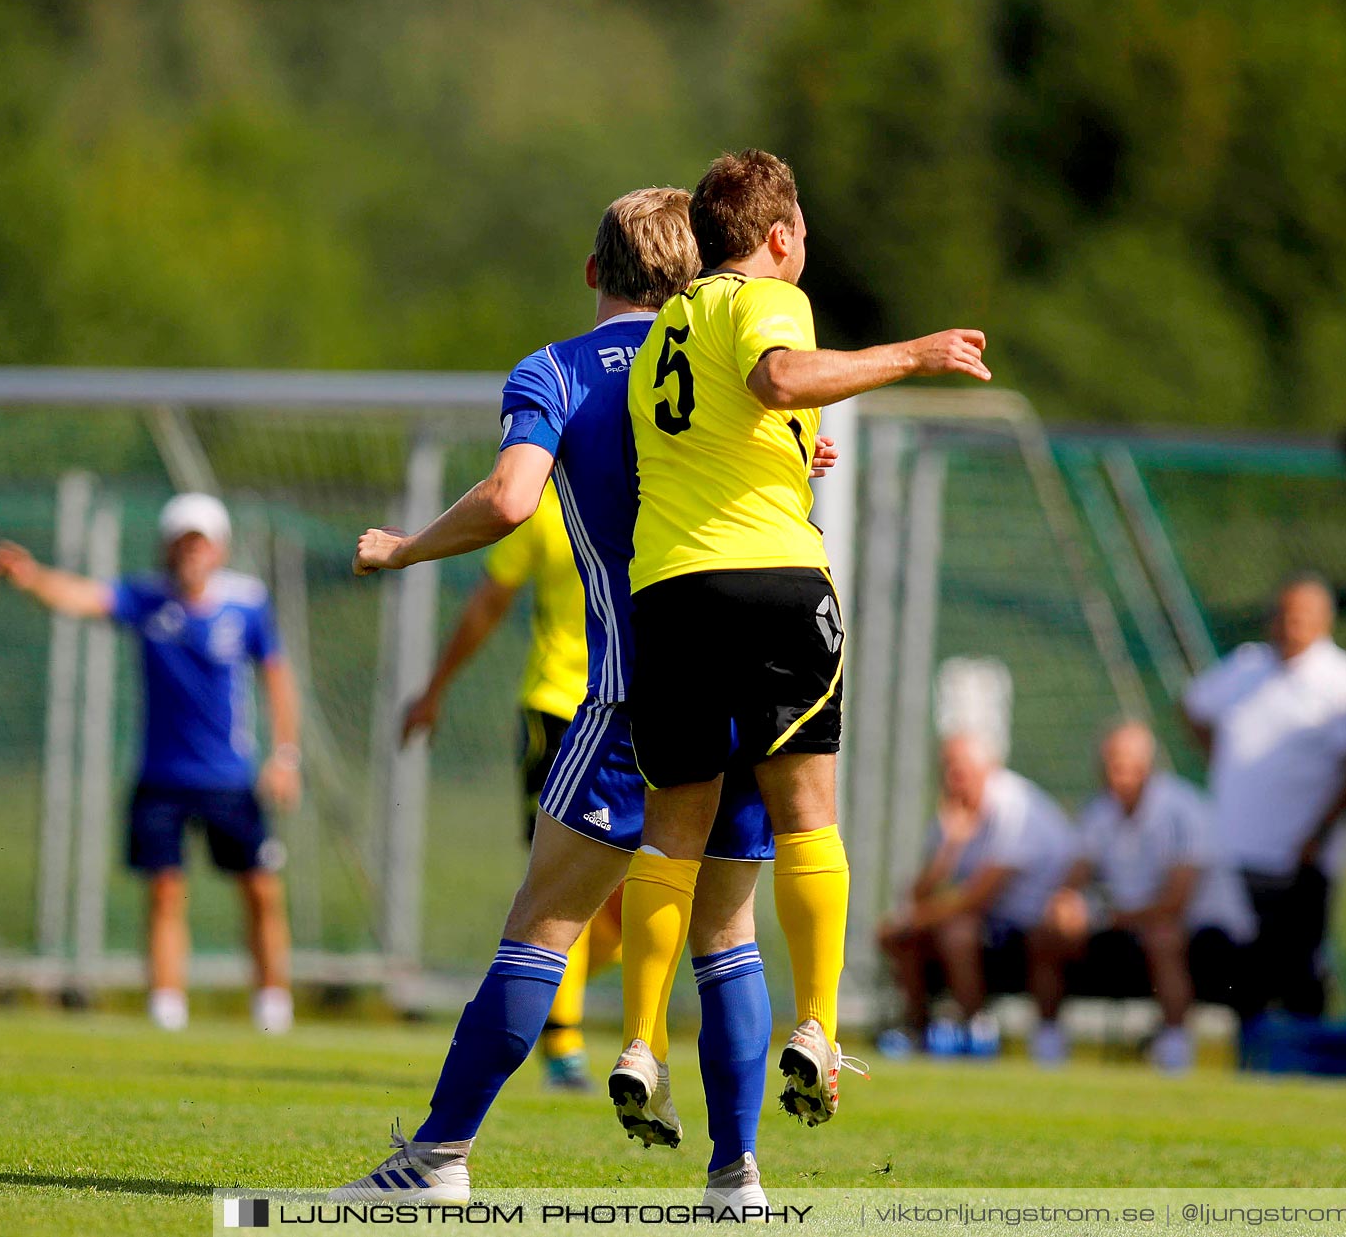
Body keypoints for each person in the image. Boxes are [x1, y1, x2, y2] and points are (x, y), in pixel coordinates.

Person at [339, 187, 820, 1213]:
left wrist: (406, 545)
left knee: (542, 925)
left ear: (593, 270)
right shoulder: (724, 352)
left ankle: (437, 1158)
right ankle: (736, 1179)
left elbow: (514, 497)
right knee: (725, 933)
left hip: (631, 694)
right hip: (747, 686)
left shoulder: (557, 368)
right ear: (695, 273)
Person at [615, 147, 992, 1130]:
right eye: (805, 239)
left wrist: (790, 445)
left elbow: (722, 426)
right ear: (778, 237)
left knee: (673, 834)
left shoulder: (667, 329)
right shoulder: (764, 299)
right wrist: (915, 354)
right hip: (774, 585)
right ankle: (819, 1027)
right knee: (805, 818)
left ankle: (643, 1038)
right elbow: (781, 374)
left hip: (670, 591)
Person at [0, 494, 301, 1033]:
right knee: (164, 890)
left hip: (230, 777)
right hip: (161, 776)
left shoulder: (247, 605)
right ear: (167, 548)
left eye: (200, 543)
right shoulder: (147, 600)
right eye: (182, 543)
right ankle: (166, 1006)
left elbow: (276, 676)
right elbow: (82, 597)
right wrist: (31, 576)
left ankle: (273, 1004)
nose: (191, 554)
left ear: (219, 548)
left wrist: (285, 756)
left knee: (261, 889)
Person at [400, 486, 622, 1091]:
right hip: (560, 710)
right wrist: (436, 688)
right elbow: (488, 603)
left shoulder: (663, 481)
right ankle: (563, 1044)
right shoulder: (544, 507)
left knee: (629, 909)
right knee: (563, 879)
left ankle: (530, 988)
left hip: (638, 710)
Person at [1181, 573, 1346, 1019]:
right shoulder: (1246, 666)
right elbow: (1193, 706)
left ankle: (1304, 1064)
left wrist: (1318, 834)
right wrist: (1223, 761)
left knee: (1298, 968)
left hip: (1299, 860)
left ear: (1323, 621)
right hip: (1236, 853)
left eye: (1300, 617)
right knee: (1236, 967)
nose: (1288, 625)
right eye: (1283, 615)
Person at [1027, 721, 1255, 1071]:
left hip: (1209, 937)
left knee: (1163, 937)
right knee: (1046, 934)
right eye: (1110, 766)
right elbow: (1076, 874)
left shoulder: (1185, 811)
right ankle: (1047, 1043)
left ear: (1148, 766)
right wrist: (1064, 905)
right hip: (1131, 928)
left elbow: (1174, 904)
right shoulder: (1099, 812)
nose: (1118, 776)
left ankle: (1176, 1048)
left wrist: (1103, 916)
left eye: (1127, 766)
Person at [876, 732, 1073, 1057]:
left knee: (956, 933)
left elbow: (976, 897)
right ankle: (917, 1031)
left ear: (989, 769)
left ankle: (975, 1029)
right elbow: (919, 895)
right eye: (947, 770)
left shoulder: (1015, 807)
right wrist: (948, 849)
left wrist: (908, 920)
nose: (953, 779)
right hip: (993, 924)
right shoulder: (951, 815)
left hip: (1034, 923)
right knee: (907, 939)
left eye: (961, 770)